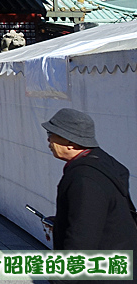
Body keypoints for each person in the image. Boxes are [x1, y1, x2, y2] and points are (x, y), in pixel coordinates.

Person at [41, 108, 137, 252]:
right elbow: (96, 213)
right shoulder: (103, 161)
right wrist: (62, 221)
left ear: (69, 141)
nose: (48, 139)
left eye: (51, 133)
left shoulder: (84, 178)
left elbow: (81, 239)